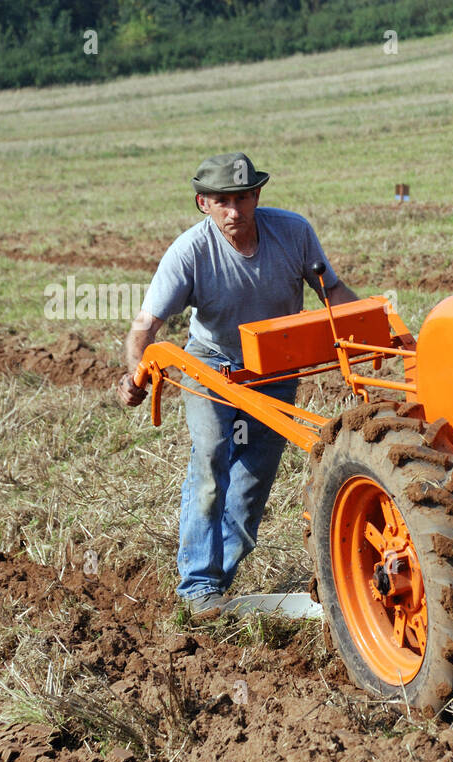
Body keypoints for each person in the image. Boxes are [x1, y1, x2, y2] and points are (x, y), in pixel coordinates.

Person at [117, 151, 359, 620]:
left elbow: (333, 292)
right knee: (211, 466)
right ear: (202, 203)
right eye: (223, 200)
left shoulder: (292, 233)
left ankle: (215, 586)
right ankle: (197, 585)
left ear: (258, 195)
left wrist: (375, 329)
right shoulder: (190, 252)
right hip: (213, 370)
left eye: (244, 197)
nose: (236, 210)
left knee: (251, 485)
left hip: (275, 369)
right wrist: (134, 372)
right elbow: (145, 328)